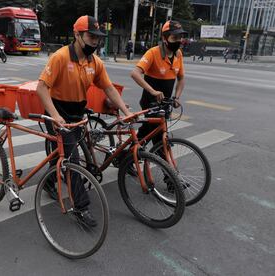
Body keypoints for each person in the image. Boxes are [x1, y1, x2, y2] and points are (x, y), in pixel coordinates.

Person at [36, 15, 131, 226]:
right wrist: (55, 116)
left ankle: (51, 181)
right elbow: (41, 88)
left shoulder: (94, 62)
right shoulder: (60, 57)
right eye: (91, 37)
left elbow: (108, 88)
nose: (95, 42)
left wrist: (124, 110)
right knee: (71, 159)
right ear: (77, 35)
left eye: (98, 38)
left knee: (60, 152)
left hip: (77, 111)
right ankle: (81, 207)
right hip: (57, 110)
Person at [130, 20, 186, 147]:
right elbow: (135, 73)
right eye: (174, 37)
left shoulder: (178, 54)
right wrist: (153, 91)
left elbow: (181, 78)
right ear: (164, 38)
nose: (178, 41)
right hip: (150, 103)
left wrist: (177, 97)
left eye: (180, 37)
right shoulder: (153, 53)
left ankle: (127, 158)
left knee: (146, 133)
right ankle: (160, 161)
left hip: (165, 104)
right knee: (159, 139)